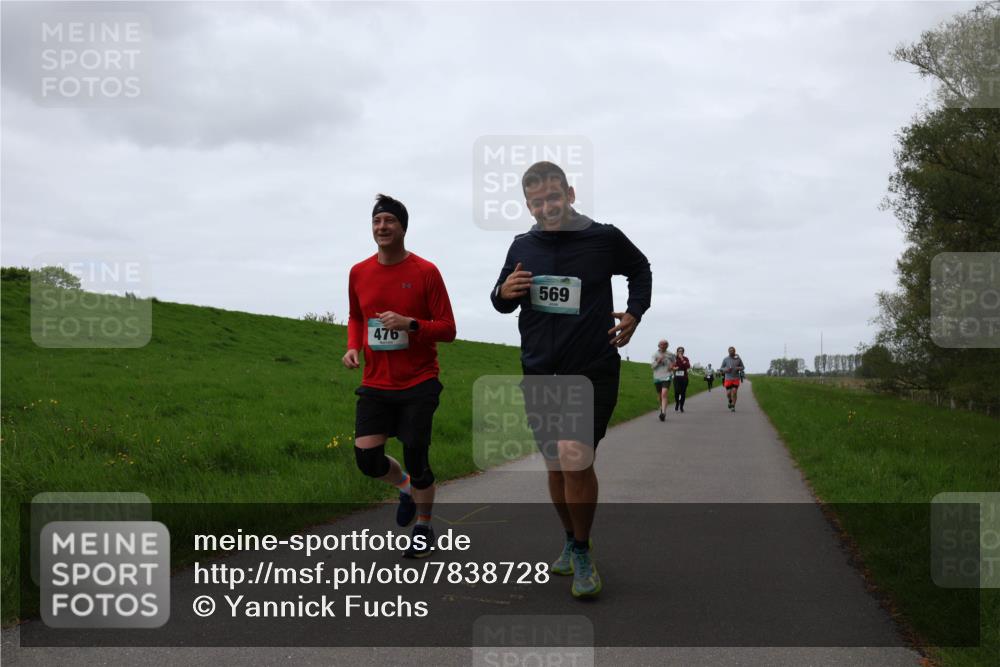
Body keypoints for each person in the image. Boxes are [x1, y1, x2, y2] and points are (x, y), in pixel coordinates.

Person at [491, 161, 652, 598]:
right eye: (537, 201)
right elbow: (501, 299)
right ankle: (570, 537)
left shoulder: (603, 238)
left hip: (592, 369)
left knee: (574, 456)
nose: (547, 207)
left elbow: (641, 269)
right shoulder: (523, 245)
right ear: (528, 204)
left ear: (571, 194)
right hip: (541, 369)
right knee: (555, 464)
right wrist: (504, 292)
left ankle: (582, 550)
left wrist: (635, 312)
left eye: (554, 197)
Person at [343, 194, 456, 558]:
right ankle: (405, 488)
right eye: (377, 222)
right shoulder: (359, 272)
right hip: (376, 383)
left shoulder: (426, 272)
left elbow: (448, 328)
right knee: (367, 460)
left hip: (419, 381)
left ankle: (423, 526)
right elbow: (356, 315)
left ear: (403, 227)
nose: (382, 227)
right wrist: (353, 347)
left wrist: (411, 325)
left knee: (416, 457)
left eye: (389, 221)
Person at [651, 340, 675, 421]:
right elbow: (652, 366)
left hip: (667, 376)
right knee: (660, 394)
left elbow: (674, 363)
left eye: (665, 344)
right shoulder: (655, 354)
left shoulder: (671, 354)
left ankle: (663, 413)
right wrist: (658, 361)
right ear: (659, 345)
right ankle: (662, 408)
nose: (663, 345)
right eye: (662, 344)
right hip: (657, 376)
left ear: (667, 345)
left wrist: (671, 367)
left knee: (664, 393)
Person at [720, 347, 746, 412]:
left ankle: (733, 406)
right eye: (730, 351)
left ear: (734, 351)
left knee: (734, 391)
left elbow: (743, 367)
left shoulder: (738, 359)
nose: (731, 352)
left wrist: (738, 368)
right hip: (728, 378)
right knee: (728, 393)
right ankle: (730, 401)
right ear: (728, 352)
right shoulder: (725, 359)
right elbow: (721, 368)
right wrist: (726, 369)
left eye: (732, 351)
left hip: (736, 378)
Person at [671, 346, 691, 412]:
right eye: (679, 351)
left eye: (681, 351)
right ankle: (677, 403)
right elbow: (671, 366)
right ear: (677, 352)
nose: (680, 352)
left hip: (684, 378)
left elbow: (688, 366)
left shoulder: (685, 359)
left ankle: (681, 406)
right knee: (676, 391)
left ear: (683, 352)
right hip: (676, 378)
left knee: (683, 393)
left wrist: (682, 359)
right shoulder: (674, 358)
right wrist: (674, 368)